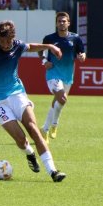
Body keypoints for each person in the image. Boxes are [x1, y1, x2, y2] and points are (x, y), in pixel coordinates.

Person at [0, 20, 66, 182]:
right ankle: (29, 153)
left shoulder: (17, 46)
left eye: (9, 41)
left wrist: (50, 47)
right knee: (20, 139)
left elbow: (30, 47)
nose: (6, 45)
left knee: (33, 129)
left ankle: (53, 171)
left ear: (13, 38)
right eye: (3, 41)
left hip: (16, 94)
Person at [38, 12, 86, 143]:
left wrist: (82, 56)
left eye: (64, 21)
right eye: (59, 21)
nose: (61, 23)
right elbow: (40, 51)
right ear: (56, 23)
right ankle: (51, 127)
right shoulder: (49, 38)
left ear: (68, 23)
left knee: (59, 102)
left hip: (67, 75)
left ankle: (46, 128)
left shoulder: (75, 38)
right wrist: (44, 61)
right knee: (62, 98)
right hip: (53, 73)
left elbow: (82, 53)